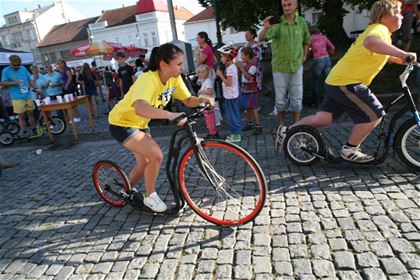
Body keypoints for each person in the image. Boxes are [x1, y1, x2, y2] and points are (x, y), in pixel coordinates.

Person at [276, 0, 417, 163]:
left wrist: (402, 59)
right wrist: (403, 53)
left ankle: (287, 130)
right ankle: (350, 149)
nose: (402, 16)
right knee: (375, 114)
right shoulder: (379, 29)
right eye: (398, 12)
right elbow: (370, 43)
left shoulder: (382, 34)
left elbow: (384, 54)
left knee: (323, 119)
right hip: (347, 82)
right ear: (384, 16)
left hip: (337, 80)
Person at [108, 43, 214, 212]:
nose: (182, 67)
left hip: (140, 123)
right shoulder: (148, 79)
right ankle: (151, 197)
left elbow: (187, 100)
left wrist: (202, 99)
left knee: (145, 162)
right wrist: (170, 115)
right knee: (156, 155)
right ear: (164, 65)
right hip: (122, 122)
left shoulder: (174, 78)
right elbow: (140, 108)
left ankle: (125, 191)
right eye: (178, 64)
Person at [259, 0, 310, 126]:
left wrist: (304, 55)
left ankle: (296, 125)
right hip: (280, 67)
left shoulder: (302, 22)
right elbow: (262, 38)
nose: (286, 7)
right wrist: (265, 28)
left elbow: (306, 39)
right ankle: (281, 125)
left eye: (289, 4)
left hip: (296, 66)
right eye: (284, 5)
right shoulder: (277, 22)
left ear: (295, 5)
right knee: (280, 101)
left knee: (297, 99)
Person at [1, 55, 36, 137]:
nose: (17, 67)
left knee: (31, 113)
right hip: (17, 98)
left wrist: (33, 86)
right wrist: (14, 83)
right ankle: (24, 132)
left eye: (18, 65)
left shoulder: (23, 68)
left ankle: (34, 129)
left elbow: (29, 78)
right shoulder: (6, 70)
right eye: (15, 65)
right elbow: (2, 83)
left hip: (27, 95)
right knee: (22, 116)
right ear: (10, 63)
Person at [216, 44, 242, 143]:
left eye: (222, 56)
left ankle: (236, 135)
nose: (221, 58)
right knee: (232, 115)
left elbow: (229, 83)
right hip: (230, 95)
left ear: (227, 56)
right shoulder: (231, 67)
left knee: (232, 116)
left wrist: (220, 75)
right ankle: (235, 133)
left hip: (231, 96)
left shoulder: (231, 68)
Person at [236, 47, 262, 135]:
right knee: (247, 108)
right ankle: (249, 123)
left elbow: (249, 77)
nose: (241, 57)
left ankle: (258, 125)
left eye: (243, 55)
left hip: (251, 91)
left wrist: (241, 68)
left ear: (247, 56)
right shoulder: (245, 65)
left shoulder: (253, 67)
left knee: (253, 108)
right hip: (244, 90)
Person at [309, 26, 335, 107]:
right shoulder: (323, 37)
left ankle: (317, 103)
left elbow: (308, 49)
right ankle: (329, 102)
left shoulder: (310, 38)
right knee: (327, 81)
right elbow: (332, 47)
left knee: (315, 82)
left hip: (318, 59)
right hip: (327, 59)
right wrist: (330, 52)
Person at [238, 29, 263, 108]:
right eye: (245, 34)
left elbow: (255, 60)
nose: (246, 36)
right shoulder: (246, 45)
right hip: (245, 69)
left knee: (257, 87)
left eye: (248, 34)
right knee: (247, 87)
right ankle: (250, 106)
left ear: (252, 35)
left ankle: (257, 106)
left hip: (255, 70)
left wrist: (243, 63)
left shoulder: (256, 46)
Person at [197, 64, 218, 139]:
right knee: (208, 119)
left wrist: (201, 91)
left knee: (210, 119)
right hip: (206, 104)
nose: (200, 74)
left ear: (207, 72)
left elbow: (210, 91)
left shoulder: (208, 81)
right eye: (199, 72)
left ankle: (213, 133)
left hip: (209, 104)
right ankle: (211, 131)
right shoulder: (205, 81)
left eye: (202, 72)